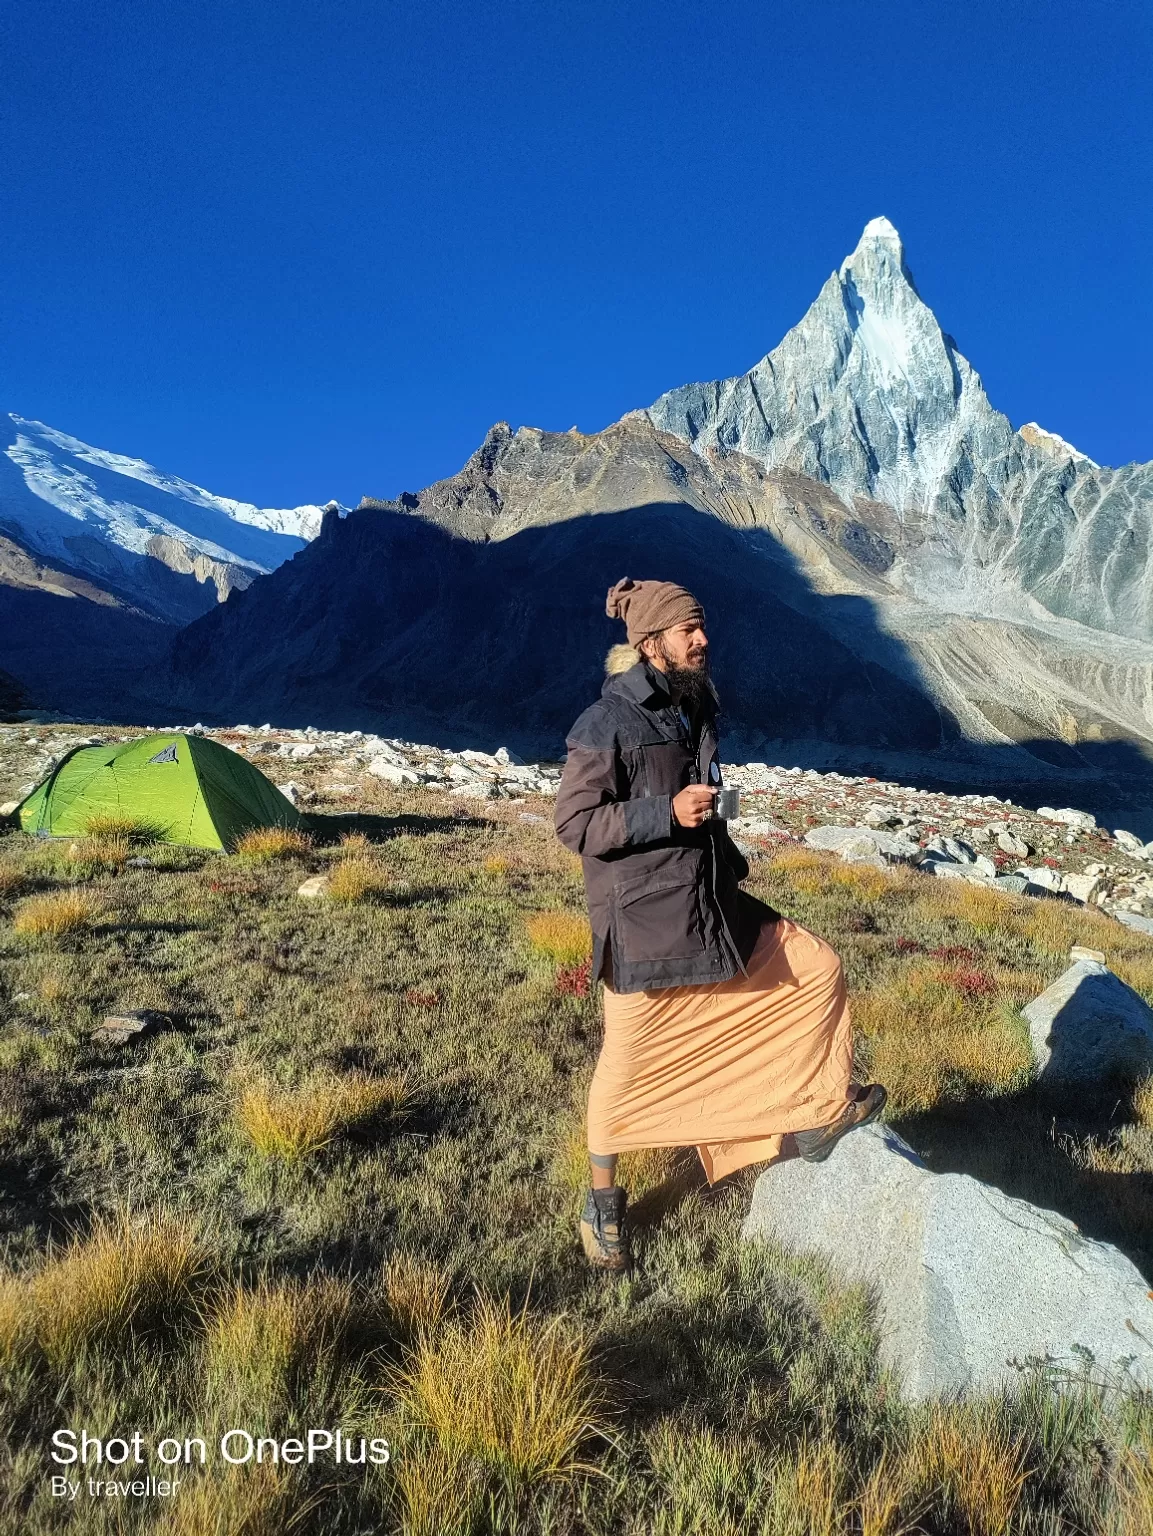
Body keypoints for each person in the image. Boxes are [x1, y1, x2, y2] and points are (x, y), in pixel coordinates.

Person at [554, 577, 885, 1272]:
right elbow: (575, 824)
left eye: (701, 627)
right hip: (644, 917)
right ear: (650, 643)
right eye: (687, 631)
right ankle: (601, 1203)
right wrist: (666, 815)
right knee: (627, 1062)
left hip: (707, 901)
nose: (702, 640)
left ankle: (816, 1113)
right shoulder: (604, 721)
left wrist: (716, 827)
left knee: (814, 967)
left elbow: (692, 795)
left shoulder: (690, 705)